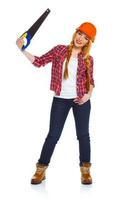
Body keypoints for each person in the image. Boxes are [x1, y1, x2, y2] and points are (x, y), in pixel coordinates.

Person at [16, 22, 97, 185]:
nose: (81, 39)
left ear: (88, 42)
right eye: (80, 34)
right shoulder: (60, 50)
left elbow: (91, 81)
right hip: (60, 100)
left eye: (85, 37)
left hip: (81, 101)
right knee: (53, 135)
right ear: (75, 33)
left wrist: (88, 95)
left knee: (83, 136)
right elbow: (39, 61)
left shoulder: (88, 59)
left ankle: (86, 171)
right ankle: (41, 169)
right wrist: (22, 49)